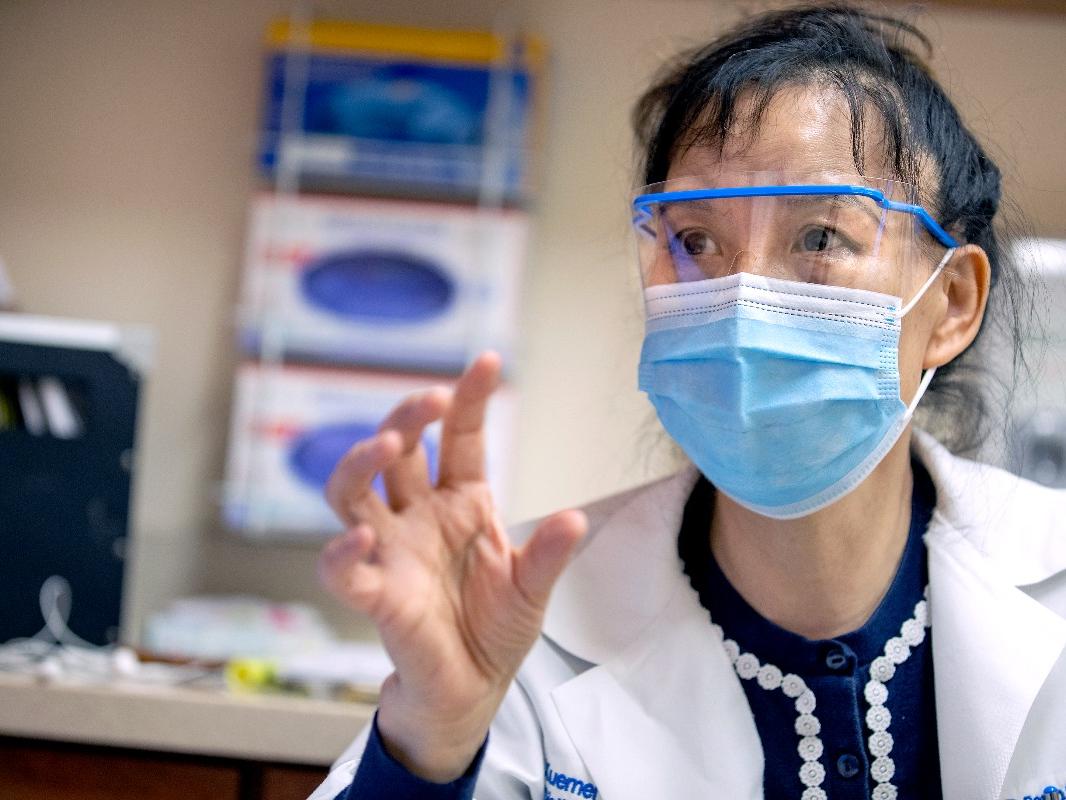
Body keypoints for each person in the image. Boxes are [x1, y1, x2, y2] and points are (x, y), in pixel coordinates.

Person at [310, 5, 1066, 799]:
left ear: (951, 303)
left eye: (819, 237)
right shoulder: (519, 617)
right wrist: (432, 745)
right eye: (695, 241)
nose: (743, 297)